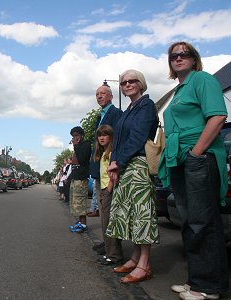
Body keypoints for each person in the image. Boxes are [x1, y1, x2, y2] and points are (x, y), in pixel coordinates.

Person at [159, 41, 229, 300]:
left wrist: (196, 152)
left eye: (183, 54)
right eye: (173, 56)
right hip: (180, 158)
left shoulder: (203, 80)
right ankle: (201, 281)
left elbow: (218, 116)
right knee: (190, 222)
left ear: (193, 58)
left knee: (202, 222)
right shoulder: (178, 90)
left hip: (198, 156)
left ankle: (207, 288)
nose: (178, 58)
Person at [106, 69, 159, 283]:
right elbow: (117, 141)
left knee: (141, 213)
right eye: (123, 82)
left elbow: (137, 137)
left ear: (140, 83)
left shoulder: (146, 105)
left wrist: (119, 161)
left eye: (131, 81)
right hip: (125, 165)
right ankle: (136, 258)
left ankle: (145, 265)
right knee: (128, 213)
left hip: (137, 164)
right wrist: (114, 163)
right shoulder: (129, 108)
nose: (127, 84)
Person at [90, 84, 123, 254]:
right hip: (100, 169)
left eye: (102, 94)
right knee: (104, 213)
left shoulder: (115, 114)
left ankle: (113, 249)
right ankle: (107, 243)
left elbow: (118, 139)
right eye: (97, 94)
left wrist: (114, 162)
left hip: (110, 169)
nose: (99, 96)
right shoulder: (100, 115)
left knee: (109, 212)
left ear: (110, 96)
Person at [93, 125, 123, 266]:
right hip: (104, 190)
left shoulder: (112, 153)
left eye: (105, 135)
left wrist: (108, 191)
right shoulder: (103, 153)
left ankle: (114, 255)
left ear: (111, 137)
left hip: (109, 190)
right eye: (99, 135)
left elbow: (113, 175)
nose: (102, 138)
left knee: (108, 224)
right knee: (106, 223)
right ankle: (110, 252)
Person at [68, 126, 91, 233]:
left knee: (81, 202)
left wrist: (76, 146)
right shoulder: (77, 146)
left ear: (82, 136)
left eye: (76, 135)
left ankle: (83, 224)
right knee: (75, 202)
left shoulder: (86, 145)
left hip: (81, 178)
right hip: (75, 178)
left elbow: (82, 159)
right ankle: (80, 222)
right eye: (73, 136)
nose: (74, 138)